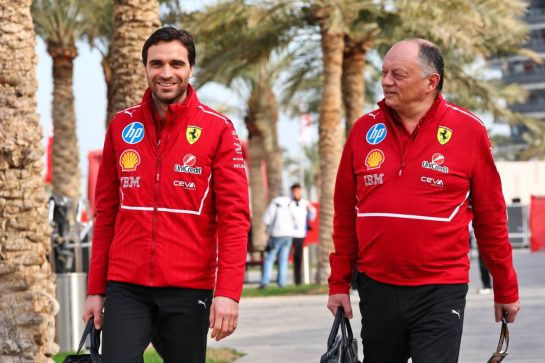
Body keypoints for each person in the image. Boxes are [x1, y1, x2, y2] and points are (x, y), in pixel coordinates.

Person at [327, 38, 520, 363]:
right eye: (384, 72)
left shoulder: (468, 131)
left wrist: (505, 287)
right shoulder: (363, 130)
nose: (386, 81)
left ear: (431, 82)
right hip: (376, 288)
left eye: (397, 74)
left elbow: (491, 217)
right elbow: (345, 214)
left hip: (441, 290)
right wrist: (338, 283)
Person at [83, 26, 250, 363]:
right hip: (126, 286)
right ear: (145, 67)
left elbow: (235, 218)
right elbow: (106, 216)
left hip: (189, 288)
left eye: (176, 63)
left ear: (190, 69)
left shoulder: (218, 129)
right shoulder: (121, 126)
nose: (166, 73)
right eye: (156, 63)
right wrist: (95, 290)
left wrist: (228, 293)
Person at [260, 193, 297, 288]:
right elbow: (296, 219)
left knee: (269, 259)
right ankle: (282, 283)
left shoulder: (274, 204)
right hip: (288, 235)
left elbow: (266, 219)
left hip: (275, 235)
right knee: (283, 259)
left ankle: (265, 282)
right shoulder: (290, 204)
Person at [289, 183, 316, 285]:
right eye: (294, 191)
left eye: (297, 191)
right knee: (289, 256)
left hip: (300, 233)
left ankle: (298, 280)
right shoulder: (289, 203)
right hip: (290, 233)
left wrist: (311, 210)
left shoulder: (305, 203)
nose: (296, 193)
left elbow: (312, 215)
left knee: (298, 257)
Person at [469, 221, 492, 294]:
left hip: (482, 233)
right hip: (472, 231)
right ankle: (487, 285)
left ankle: (487, 285)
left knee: (483, 260)